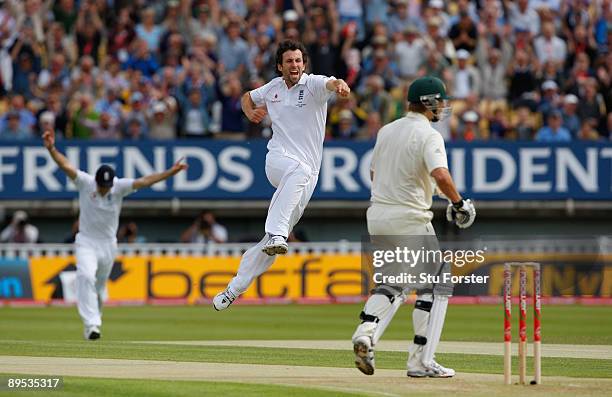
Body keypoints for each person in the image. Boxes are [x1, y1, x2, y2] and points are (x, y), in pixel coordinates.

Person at [351, 76, 476, 378]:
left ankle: (366, 333)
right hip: (410, 218)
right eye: (441, 101)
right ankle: (421, 361)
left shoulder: (386, 130)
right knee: (437, 282)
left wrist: (422, 190)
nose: (444, 107)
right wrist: (459, 203)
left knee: (394, 283)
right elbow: (441, 175)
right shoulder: (429, 135)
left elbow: (374, 173)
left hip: (379, 216)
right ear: (430, 102)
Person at [212, 40, 350, 310]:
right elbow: (246, 97)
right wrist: (250, 111)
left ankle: (234, 288)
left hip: (306, 177)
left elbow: (332, 83)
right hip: (277, 160)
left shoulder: (312, 84)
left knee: (270, 246)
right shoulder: (273, 88)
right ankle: (277, 234)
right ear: (280, 66)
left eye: (298, 61)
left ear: (304, 64)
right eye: (289, 61)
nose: (295, 65)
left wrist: (340, 85)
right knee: (280, 228)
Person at [42, 128, 187, 340]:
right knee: (85, 276)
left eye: (107, 187)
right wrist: (52, 149)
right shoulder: (85, 182)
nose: (105, 190)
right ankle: (92, 324)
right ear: (97, 182)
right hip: (86, 242)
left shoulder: (118, 187)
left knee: (99, 288)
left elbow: (146, 181)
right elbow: (66, 166)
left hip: (108, 245)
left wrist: (171, 172)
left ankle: (94, 322)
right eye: (102, 186)